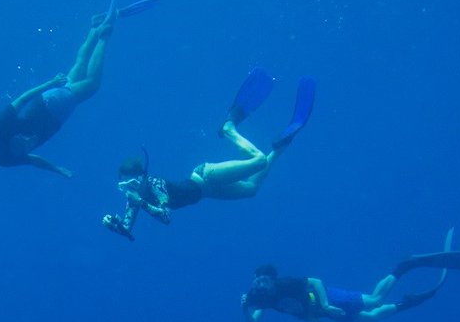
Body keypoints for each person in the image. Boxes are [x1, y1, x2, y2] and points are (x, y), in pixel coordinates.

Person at [0, 0, 157, 178]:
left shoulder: (0, 127)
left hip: (50, 106)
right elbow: (32, 160)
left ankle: (104, 35)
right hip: (55, 114)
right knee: (78, 68)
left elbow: (22, 98)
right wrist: (57, 169)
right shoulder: (3, 159)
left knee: (92, 84)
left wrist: (50, 83)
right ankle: (94, 26)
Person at [102, 68, 316, 239]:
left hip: (206, 176)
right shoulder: (134, 198)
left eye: (131, 183)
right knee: (251, 189)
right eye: (123, 185)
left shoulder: (154, 185)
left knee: (258, 161)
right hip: (207, 192)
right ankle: (281, 148)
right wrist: (116, 224)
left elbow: (166, 216)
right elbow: (128, 226)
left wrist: (141, 203)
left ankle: (228, 129)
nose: (128, 188)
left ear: (142, 177)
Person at [241, 230, 460, 322]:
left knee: (374, 300)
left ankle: (405, 266)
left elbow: (315, 281)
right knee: (370, 320)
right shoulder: (257, 298)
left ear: (271, 280)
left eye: (265, 281)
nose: (261, 285)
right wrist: (245, 308)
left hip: (327, 301)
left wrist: (325, 304)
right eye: (258, 281)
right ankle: (408, 303)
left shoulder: (285, 283)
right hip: (321, 314)